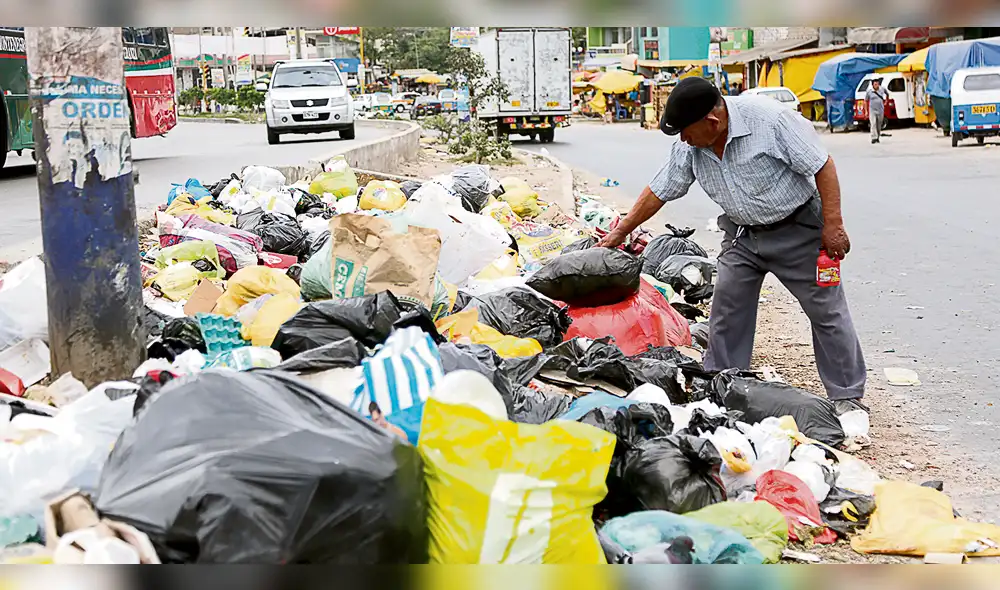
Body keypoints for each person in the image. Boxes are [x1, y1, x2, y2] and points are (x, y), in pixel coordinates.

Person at [596, 77, 868, 417]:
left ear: (712, 121)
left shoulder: (771, 121)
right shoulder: (691, 145)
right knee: (727, 308)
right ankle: (723, 383)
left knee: (826, 311)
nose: (683, 140)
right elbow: (660, 189)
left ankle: (846, 395)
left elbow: (822, 166)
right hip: (742, 234)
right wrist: (621, 232)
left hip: (798, 228)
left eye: (686, 132)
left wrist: (833, 224)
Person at [866, 79, 889, 144]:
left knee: (879, 125)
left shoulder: (882, 89)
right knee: (873, 124)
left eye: (878, 84)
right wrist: (866, 111)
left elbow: (887, 94)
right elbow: (865, 101)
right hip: (872, 110)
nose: (877, 85)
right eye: (875, 84)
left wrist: (886, 101)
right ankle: (873, 138)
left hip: (880, 110)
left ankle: (877, 137)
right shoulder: (869, 92)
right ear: (873, 85)